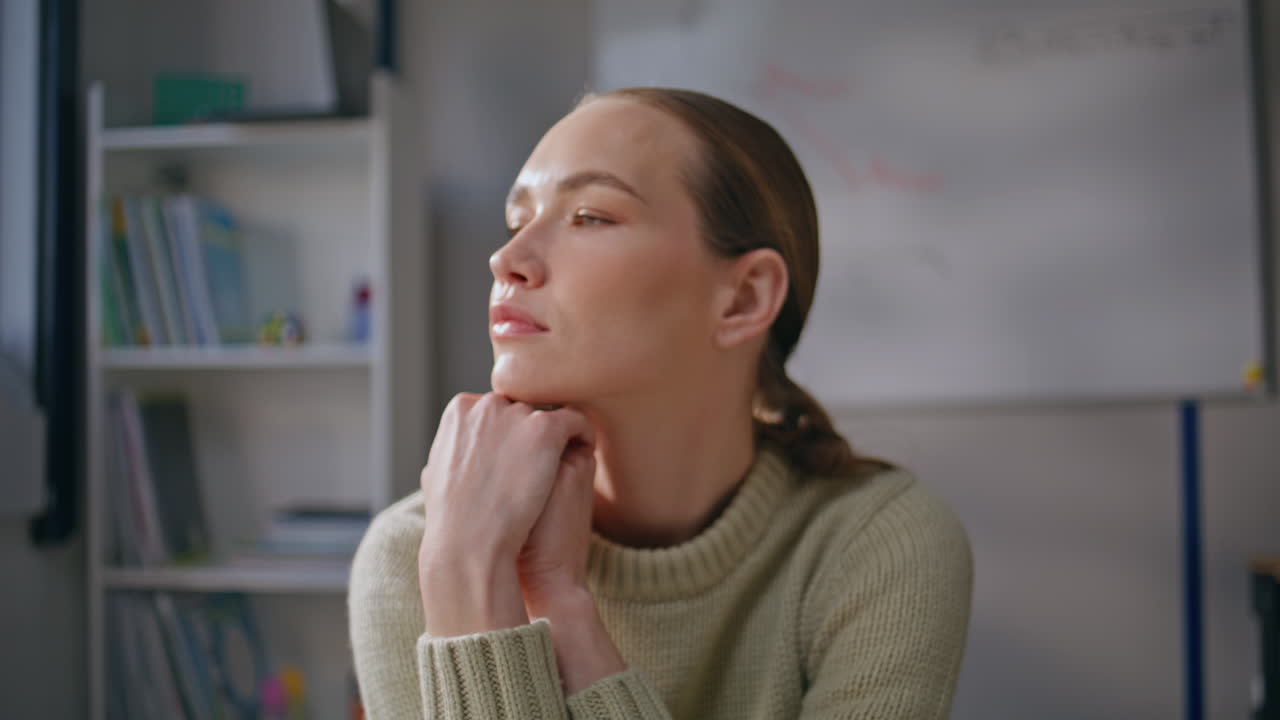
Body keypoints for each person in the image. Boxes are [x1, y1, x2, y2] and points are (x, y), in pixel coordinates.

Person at [349, 87, 973, 719]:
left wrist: (564, 611)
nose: (506, 260)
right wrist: (466, 574)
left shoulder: (875, 543)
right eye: (517, 223)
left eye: (591, 216)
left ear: (744, 299)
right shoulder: (416, 553)